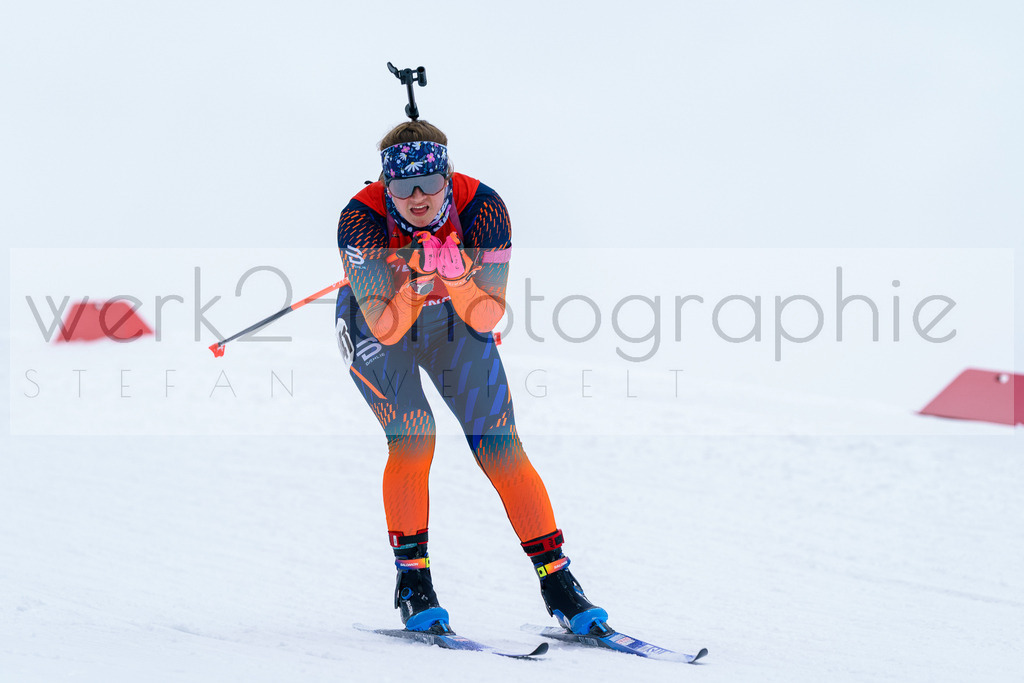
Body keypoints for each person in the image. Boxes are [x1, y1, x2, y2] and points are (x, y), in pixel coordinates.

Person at [335, 120, 608, 635]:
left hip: (455, 319)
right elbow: (386, 328)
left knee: (502, 446)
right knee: (414, 439)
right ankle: (413, 586)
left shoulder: (484, 208)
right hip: (379, 324)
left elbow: (486, 316)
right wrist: (416, 279)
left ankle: (560, 585)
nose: (417, 198)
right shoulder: (361, 218)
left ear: (448, 175)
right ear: (384, 185)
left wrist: (458, 277)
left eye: (430, 184)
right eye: (401, 187)